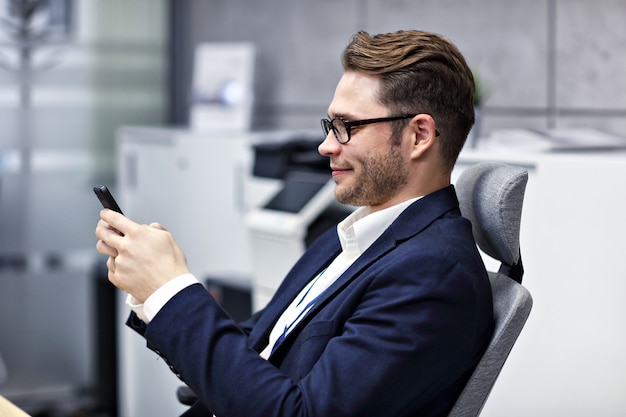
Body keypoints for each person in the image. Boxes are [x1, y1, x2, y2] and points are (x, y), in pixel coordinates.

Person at [95, 29, 494, 417]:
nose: (326, 146)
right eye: (329, 126)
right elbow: (255, 345)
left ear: (419, 135)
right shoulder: (351, 238)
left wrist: (171, 289)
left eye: (347, 127)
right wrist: (152, 287)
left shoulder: (432, 275)